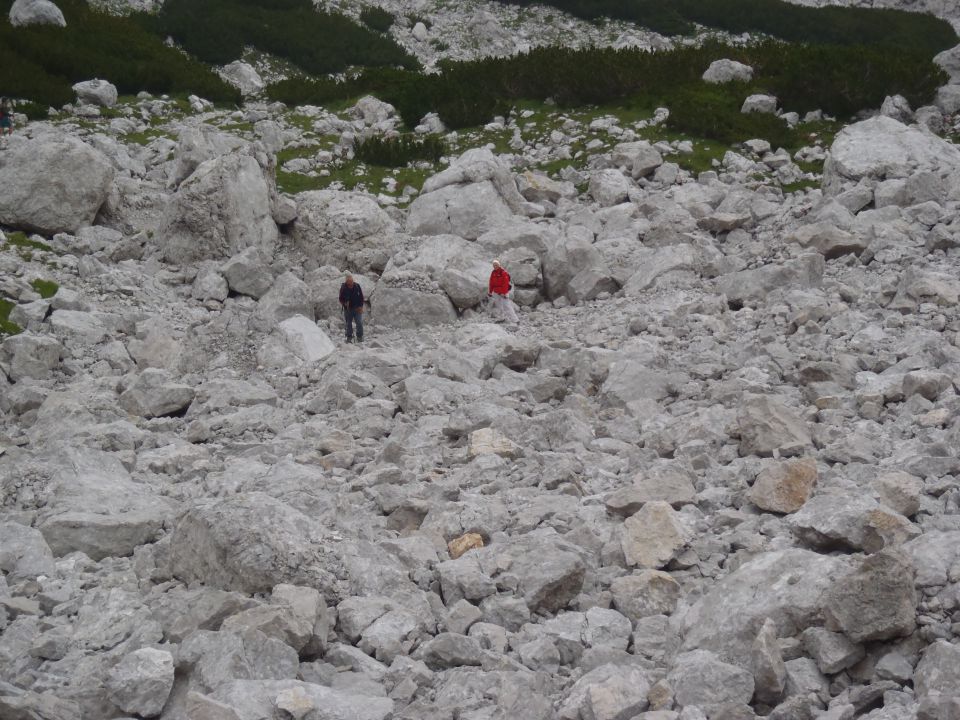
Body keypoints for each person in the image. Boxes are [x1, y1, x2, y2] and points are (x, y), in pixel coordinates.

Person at [488, 259, 519, 324]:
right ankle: (501, 318)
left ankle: (516, 320)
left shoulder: (504, 273)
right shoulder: (493, 273)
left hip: (503, 292)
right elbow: (491, 283)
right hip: (496, 292)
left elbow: (505, 284)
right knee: (499, 306)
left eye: (496, 265)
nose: (495, 266)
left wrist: (504, 293)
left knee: (507, 306)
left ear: (499, 265)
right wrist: (490, 292)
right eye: (494, 265)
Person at [339, 273, 364, 343]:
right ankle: (349, 337)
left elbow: (361, 297)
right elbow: (340, 298)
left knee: (359, 322)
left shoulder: (357, 286)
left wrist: (361, 306)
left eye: (352, 281)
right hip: (348, 309)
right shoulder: (343, 288)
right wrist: (344, 303)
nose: (351, 283)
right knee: (348, 323)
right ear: (346, 282)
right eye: (349, 282)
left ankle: (360, 337)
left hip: (357, 308)